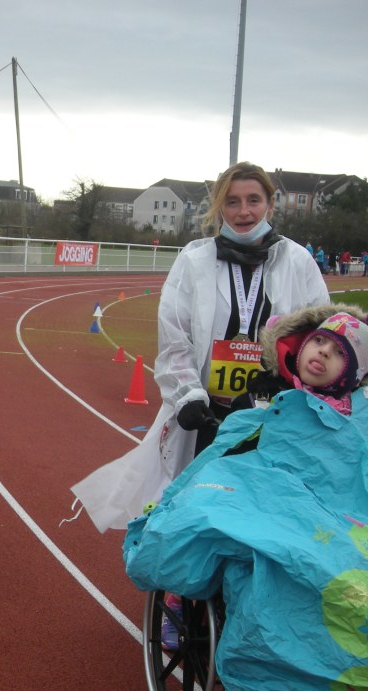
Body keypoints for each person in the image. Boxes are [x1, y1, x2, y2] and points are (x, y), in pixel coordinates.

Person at [123, 304, 368, 691]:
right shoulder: (263, 406)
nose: (323, 353)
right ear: (300, 346)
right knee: (300, 576)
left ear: (354, 373)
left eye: (339, 352)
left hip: (354, 526)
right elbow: (226, 468)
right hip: (281, 515)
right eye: (319, 341)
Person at [70, 161, 329, 534]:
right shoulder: (195, 260)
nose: (243, 211)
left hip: (271, 416)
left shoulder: (297, 261)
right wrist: (188, 394)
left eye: (253, 200)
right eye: (232, 201)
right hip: (206, 416)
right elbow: (174, 335)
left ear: (270, 205)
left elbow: (317, 335)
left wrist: (281, 384)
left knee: (258, 517)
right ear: (220, 207)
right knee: (195, 510)